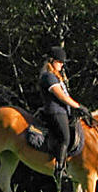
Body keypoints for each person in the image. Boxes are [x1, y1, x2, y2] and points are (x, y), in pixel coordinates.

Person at [38, 47, 92, 182]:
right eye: (60, 62)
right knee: (65, 137)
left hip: (63, 111)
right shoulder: (48, 77)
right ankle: (59, 169)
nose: (62, 65)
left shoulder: (56, 77)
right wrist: (78, 106)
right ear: (52, 61)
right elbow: (61, 96)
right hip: (55, 111)